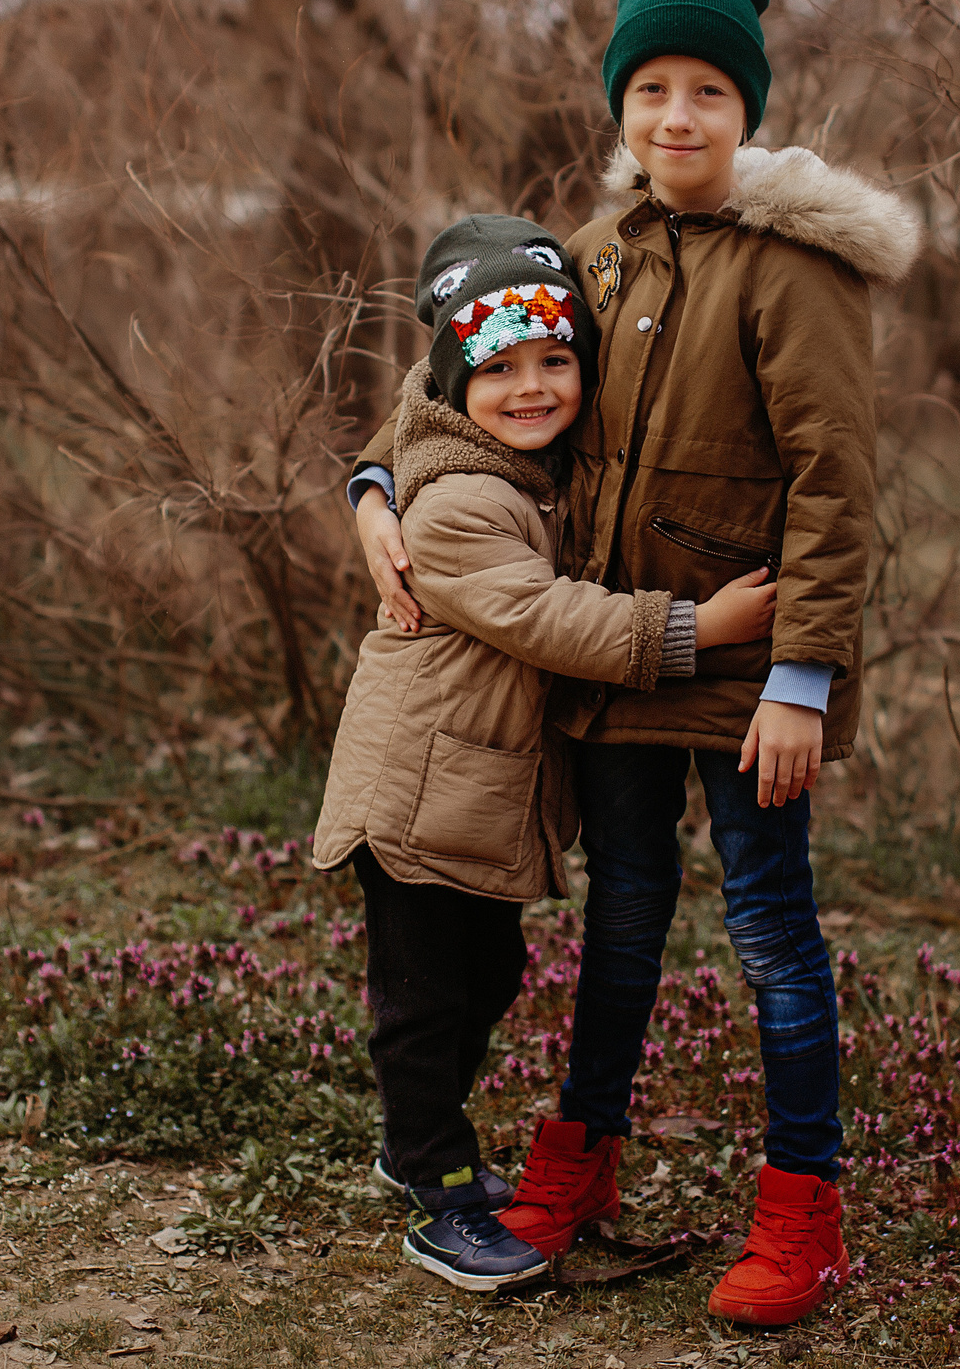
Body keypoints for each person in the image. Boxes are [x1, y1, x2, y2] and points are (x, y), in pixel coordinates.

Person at [347, 0, 920, 1326]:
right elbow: (474, 385)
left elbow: (836, 483)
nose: (677, 113)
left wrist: (804, 677)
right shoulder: (600, 254)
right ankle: (579, 1160)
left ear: (747, 109)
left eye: (707, 91)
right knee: (620, 921)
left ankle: (803, 1208)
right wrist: (374, 487)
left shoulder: (799, 269)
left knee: (775, 935)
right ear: (623, 103)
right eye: (652, 89)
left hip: (743, 667)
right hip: (618, 660)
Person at [312, 213, 778, 1294]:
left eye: (554, 361)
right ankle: (436, 1185)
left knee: (490, 975)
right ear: (452, 387)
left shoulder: (531, 468)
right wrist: (695, 629)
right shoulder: (463, 503)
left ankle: (411, 1140)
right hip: (417, 791)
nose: (532, 388)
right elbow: (553, 618)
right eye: (500, 370)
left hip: (469, 790)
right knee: (423, 997)